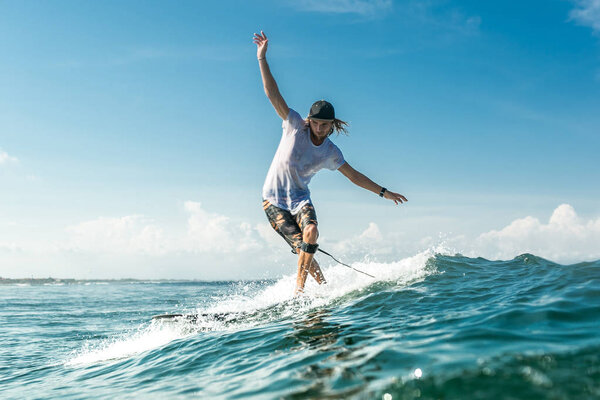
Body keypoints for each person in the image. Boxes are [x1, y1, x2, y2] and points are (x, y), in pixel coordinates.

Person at [254, 31, 407, 296]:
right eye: (317, 123)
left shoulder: (330, 151)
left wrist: (383, 192)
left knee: (311, 233)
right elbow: (272, 93)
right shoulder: (293, 125)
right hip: (273, 201)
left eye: (326, 125)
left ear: (332, 125)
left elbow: (354, 176)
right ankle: (312, 291)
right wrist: (262, 58)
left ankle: (302, 292)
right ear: (309, 120)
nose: (321, 129)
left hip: (300, 200)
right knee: (302, 246)